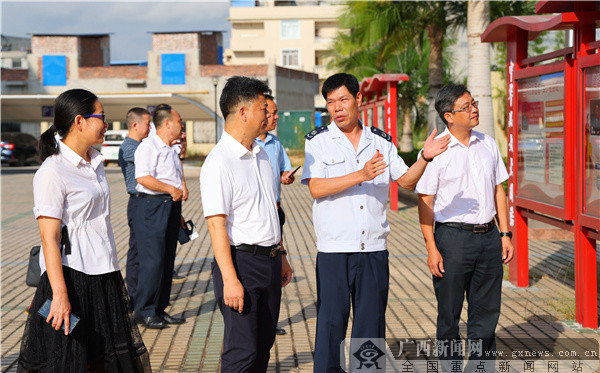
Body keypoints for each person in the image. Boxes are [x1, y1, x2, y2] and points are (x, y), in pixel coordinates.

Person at [301, 73, 450, 372]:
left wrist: (424, 157)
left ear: (357, 99)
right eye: (330, 103)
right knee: (331, 325)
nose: (337, 108)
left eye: (343, 100)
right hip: (334, 250)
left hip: (373, 250)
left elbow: (406, 181)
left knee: (370, 329)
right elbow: (316, 187)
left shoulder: (380, 141)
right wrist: (360, 174)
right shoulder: (318, 142)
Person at [18, 89, 151, 372]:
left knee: (103, 359)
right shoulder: (52, 171)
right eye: (101, 117)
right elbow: (49, 239)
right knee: (71, 360)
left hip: (104, 273)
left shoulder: (96, 162)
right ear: (79, 121)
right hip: (71, 277)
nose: (105, 124)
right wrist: (60, 295)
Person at [415, 84, 515, 371]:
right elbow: (425, 200)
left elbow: (499, 190)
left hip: (489, 237)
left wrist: (505, 233)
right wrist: (431, 248)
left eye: (474, 103)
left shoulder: (487, 144)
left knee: (486, 314)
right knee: (449, 314)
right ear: (449, 116)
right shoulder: (437, 151)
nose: (474, 110)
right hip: (452, 239)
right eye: (466, 106)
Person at [200, 76, 293, 372]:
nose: (268, 116)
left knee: (263, 346)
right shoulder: (219, 162)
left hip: (270, 261)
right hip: (241, 264)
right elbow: (216, 226)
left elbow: (269, 211)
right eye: (262, 109)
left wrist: (282, 255)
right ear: (243, 113)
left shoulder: (262, 154)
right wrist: (230, 279)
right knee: (242, 351)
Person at [132, 103, 188, 329]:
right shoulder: (148, 147)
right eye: (179, 121)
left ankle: (159, 309)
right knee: (152, 261)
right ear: (167, 124)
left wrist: (181, 187)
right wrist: (170, 189)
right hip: (151, 207)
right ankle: (143, 310)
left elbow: (175, 176)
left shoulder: (171, 148)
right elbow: (142, 178)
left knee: (167, 261)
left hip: (171, 207)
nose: (181, 126)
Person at [255, 94, 294, 336]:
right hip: (256, 213)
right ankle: (256, 323)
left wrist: (286, 177)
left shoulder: (275, 143)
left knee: (273, 268)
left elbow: (284, 170)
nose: (277, 116)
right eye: (272, 112)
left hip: (275, 210)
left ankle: (269, 321)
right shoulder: (246, 145)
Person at [118, 107, 151, 306]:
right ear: (135, 125)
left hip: (147, 202)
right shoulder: (129, 148)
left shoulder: (142, 146)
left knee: (145, 251)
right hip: (138, 201)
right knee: (137, 252)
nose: (150, 127)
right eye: (148, 123)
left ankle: (142, 293)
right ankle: (133, 294)